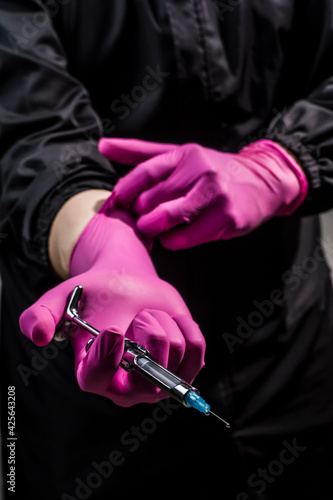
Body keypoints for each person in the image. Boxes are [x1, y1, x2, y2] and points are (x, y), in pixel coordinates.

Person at [1, 1, 333, 498]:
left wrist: (289, 161)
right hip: (83, 406)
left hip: (293, 342)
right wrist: (97, 235)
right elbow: (23, 119)